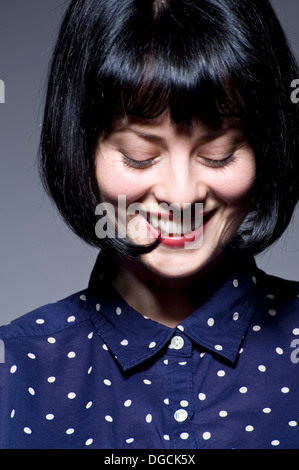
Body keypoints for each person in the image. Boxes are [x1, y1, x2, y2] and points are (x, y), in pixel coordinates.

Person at [0, 0, 299, 450]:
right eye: (139, 156)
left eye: (218, 153)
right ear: (81, 148)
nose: (181, 196)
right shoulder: (15, 369)